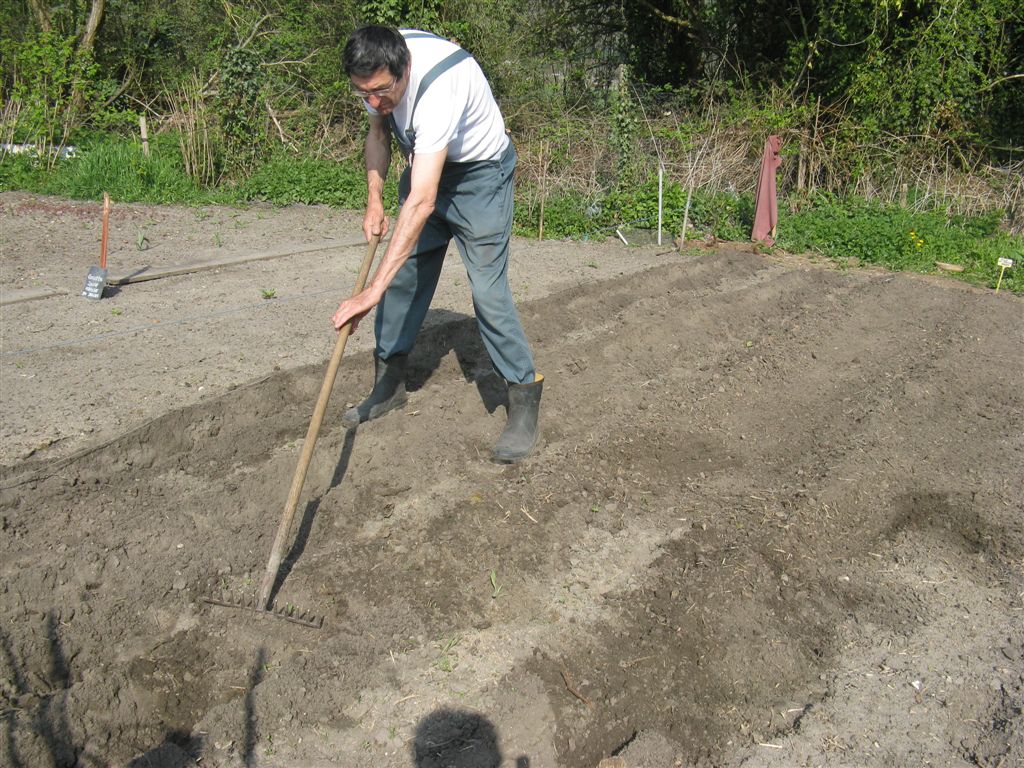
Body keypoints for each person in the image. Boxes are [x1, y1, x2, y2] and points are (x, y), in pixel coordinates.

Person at [332, 25, 542, 463]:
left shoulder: (439, 89)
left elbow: (421, 200)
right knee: (403, 277)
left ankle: (522, 399)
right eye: (363, 93)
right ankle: (387, 388)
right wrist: (374, 199)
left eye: (382, 92)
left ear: (405, 68)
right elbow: (378, 134)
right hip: (428, 165)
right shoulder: (378, 67)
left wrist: (370, 291)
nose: (374, 102)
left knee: (487, 292)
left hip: (479, 177)